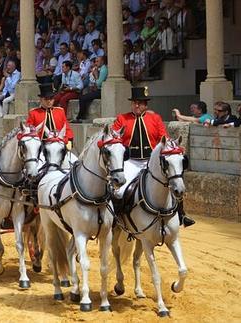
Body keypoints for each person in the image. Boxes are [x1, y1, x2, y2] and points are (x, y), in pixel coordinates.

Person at [112, 87, 194, 227]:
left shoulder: (154, 118)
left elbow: (164, 138)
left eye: (140, 103)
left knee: (175, 181)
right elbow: (114, 138)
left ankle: (181, 215)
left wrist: (176, 148)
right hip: (131, 161)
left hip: (152, 162)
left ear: (146, 105)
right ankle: (117, 218)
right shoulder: (122, 118)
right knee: (119, 191)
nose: (137, 105)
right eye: (134, 102)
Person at [74, 55, 108, 122]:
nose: (96, 63)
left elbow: (99, 83)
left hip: (102, 91)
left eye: (98, 61)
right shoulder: (99, 68)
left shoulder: (104, 69)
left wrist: (95, 75)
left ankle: (80, 117)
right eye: (95, 61)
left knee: (83, 98)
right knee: (84, 95)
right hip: (97, 89)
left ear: (102, 62)